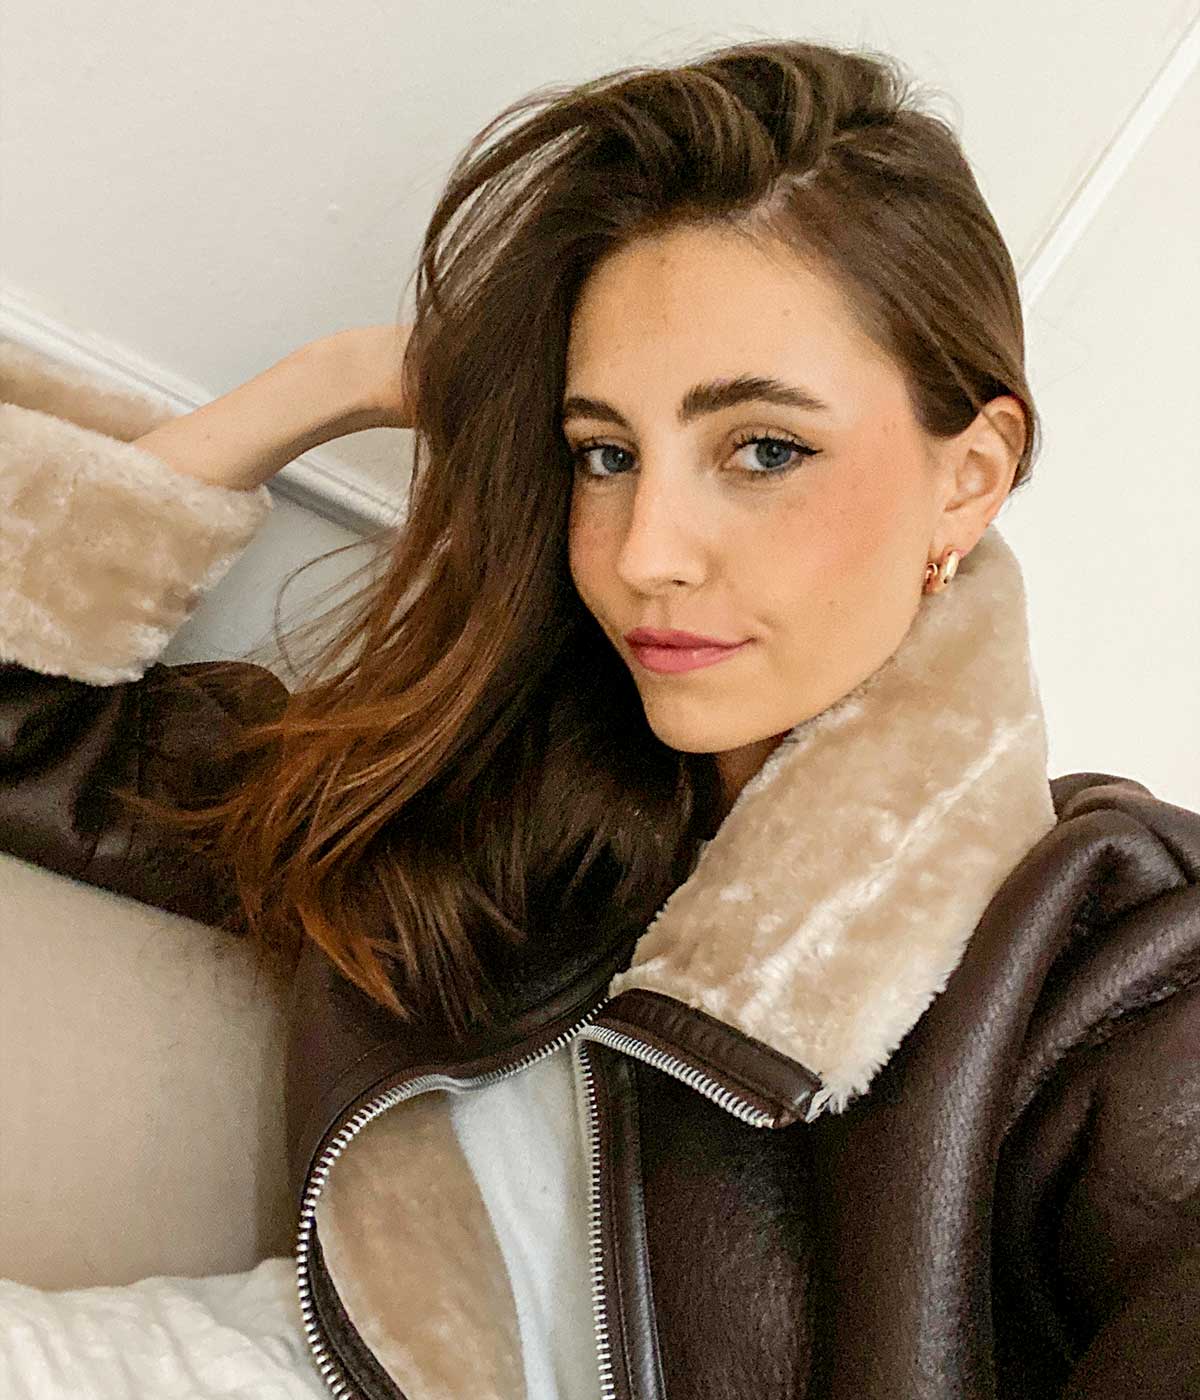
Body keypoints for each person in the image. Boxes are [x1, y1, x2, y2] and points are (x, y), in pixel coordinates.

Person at [2, 34, 1198, 1400]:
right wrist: (332, 382)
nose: (645, 553)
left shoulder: (1115, 955)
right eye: (605, 453)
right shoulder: (505, 790)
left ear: (970, 478)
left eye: (764, 449)